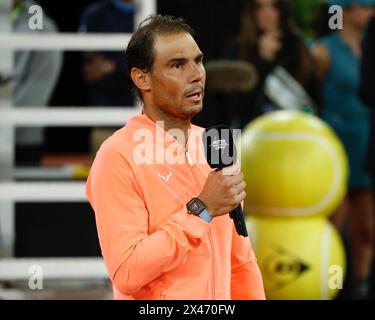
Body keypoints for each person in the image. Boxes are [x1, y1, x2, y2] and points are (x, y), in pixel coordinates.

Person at [85, 15, 265, 300]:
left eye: (198, 60)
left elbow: (240, 263)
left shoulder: (216, 145)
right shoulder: (118, 155)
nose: (196, 74)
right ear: (142, 78)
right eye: (177, 65)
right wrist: (202, 209)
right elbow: (127, 271)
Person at [311, 0, 375, 299]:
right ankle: (332, 288)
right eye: (364, 6)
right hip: (336, 150)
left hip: (368, 147)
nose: (371, 12)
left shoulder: (370, 46)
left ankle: (360, 287)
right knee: (334, 229)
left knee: (367, 229)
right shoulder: (323, 50)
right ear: (345, 10)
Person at [223, 0, 317, 128]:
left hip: (294, 131)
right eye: (260, 7)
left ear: (282, 10)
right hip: (252, 132)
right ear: (252, 12)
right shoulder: (238, 48)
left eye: (273, 7)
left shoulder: (298, 47)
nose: (267, 14)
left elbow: (313, 97)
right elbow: (236, 105)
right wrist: (263, 61)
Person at [79, 0, 135, 106]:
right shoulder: (95, 14)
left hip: (144, 101)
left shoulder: (153, 12)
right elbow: (92, 70)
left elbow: (152, 65)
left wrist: (112, 65)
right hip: (105, 100)